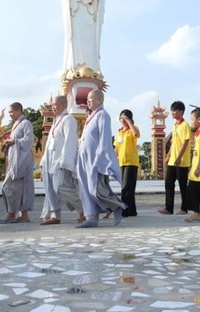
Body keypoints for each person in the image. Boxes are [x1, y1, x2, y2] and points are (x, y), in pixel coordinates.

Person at [76, 89, 125, 228]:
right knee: (85, 188)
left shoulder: (103, 115)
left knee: (95, 189)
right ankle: (91, 218)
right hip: (83, 158)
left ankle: (117, 206)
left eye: (91, 98)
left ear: (99, 100)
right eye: (87, 99)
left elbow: (105, 139)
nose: (88, 101)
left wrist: (100, 158)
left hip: (94, 159)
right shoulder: (90, 116)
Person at [40, 95, 82, 226]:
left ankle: (84, 210)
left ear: (63, 105)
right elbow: (50, 143)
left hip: (60, 161)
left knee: (61, 188)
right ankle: (55, 216)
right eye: (52, 105)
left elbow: (70, 142)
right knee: (50, 189)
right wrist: (43, 160)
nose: (53, 107)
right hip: (50, 161)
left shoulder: (68, 120)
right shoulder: (56, 121)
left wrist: (65, 161)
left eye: (55, 105)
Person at [0, 102, 35, 224]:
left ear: (19, 110)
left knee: (8, 186)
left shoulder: (26, 123)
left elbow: (29, 141)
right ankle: (23, 215)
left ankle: (11, 213)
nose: (10, 114)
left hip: (22, 161)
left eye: (11, 112)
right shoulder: (16, 124)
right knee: (19, 188)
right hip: (15, 160)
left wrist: (13, 141)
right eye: (9, 112)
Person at [159, 101, 190, 215]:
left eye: (174, 110)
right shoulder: (175, 125)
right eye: (172, 110)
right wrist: (168, 156)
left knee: (183, 186)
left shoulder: (185, 125)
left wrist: (179, 157)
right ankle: (169, 208)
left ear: (181, 111)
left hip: (181, 161)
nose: (172, 112)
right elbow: (173, 143)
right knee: (168, 183)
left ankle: (184, 208)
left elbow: (186, 142)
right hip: (172, 161)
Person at [115, 109, 140, 217]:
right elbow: (116, 148)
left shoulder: (133, 129)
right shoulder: (119, 132)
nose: (122, 120)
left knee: (126, 187)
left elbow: (136, 134)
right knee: (127, 187)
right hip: (122, 162)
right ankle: (132, 211)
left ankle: (125, 210)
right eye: (121, 118)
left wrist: (129, 122)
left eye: (124, 118)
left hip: (131, 161)